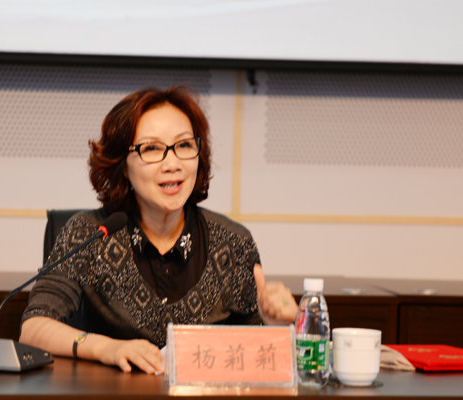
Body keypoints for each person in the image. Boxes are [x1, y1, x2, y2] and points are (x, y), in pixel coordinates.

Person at [20, 86, 298, 375]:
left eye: (184, 145)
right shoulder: (90, 234)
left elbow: (252, 357)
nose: (172, 164)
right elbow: (34, 328)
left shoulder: (233, 242)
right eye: (151, 148)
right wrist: (106, 348)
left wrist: (276, 327)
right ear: (122, 165)